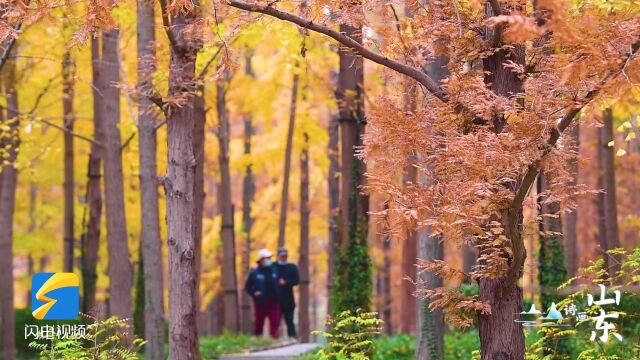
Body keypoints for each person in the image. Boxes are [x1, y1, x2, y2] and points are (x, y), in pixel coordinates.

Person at [245, 249, 281, 338]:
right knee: (259, 320)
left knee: (275, 320)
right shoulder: (255, 272)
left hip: (273, 300)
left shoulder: (274, 271)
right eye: (266, 258)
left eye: (269, 258)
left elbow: (278, 283)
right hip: (261, 301)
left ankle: (274, 337)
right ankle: (258, 337)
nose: (269, 260)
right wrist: (254, 293)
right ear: (261, 259)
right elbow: (248, 286)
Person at [273, 246, 299, 338]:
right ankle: (274, 339)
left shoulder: (292, 267)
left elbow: (296, 280)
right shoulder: (273, 266)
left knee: (290, 320)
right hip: (276, 299)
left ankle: (292, 339)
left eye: (285, 255)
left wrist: (286, 283)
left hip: (289, 300)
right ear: (278, 256)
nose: (284, 257)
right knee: (275, 321)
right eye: (282, 255)